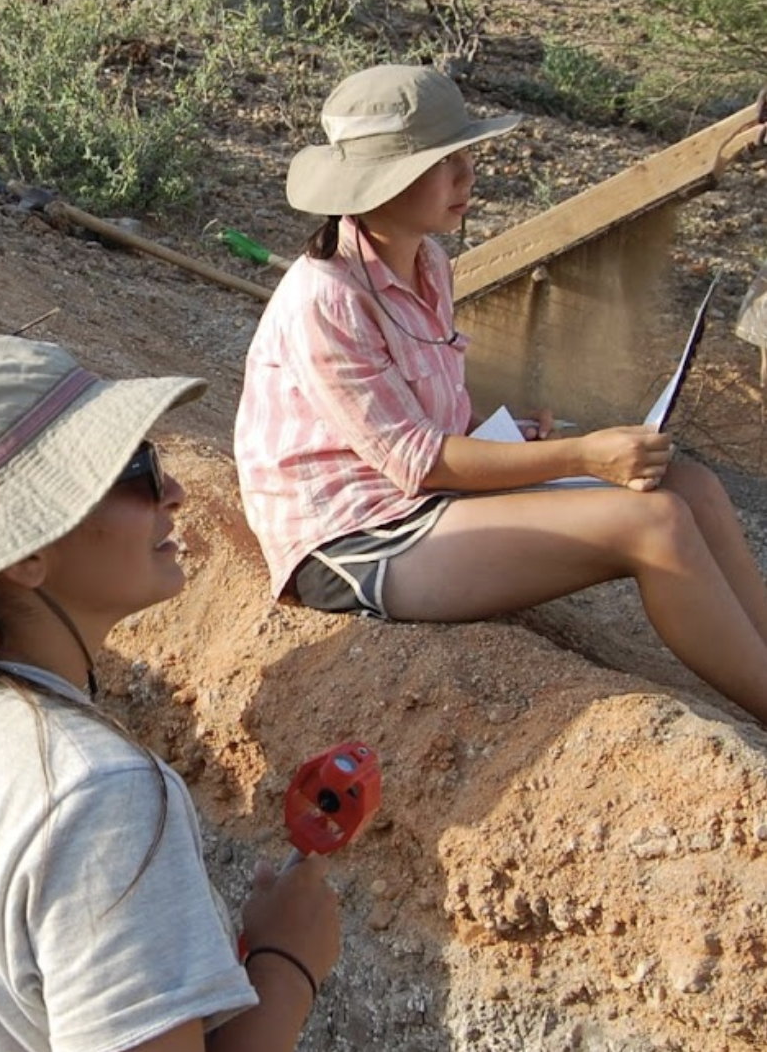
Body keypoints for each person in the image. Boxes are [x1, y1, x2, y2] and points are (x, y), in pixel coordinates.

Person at [0, 335, 341, 1052]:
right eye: (137, 468)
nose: (176, 493)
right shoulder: (95, 796)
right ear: (24, 550)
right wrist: (289, 961)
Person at [235, 62, 767, 726]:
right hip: (355, 543)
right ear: (382, 183)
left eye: (465, 155)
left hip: (422, 503)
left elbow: (431, 416)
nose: (467, 175)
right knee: (652, 524)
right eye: (445, 161)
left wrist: (504, 430)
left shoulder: (426, 262)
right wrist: (580, 457)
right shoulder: (328, 298)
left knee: (692, 490)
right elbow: (419, 460)